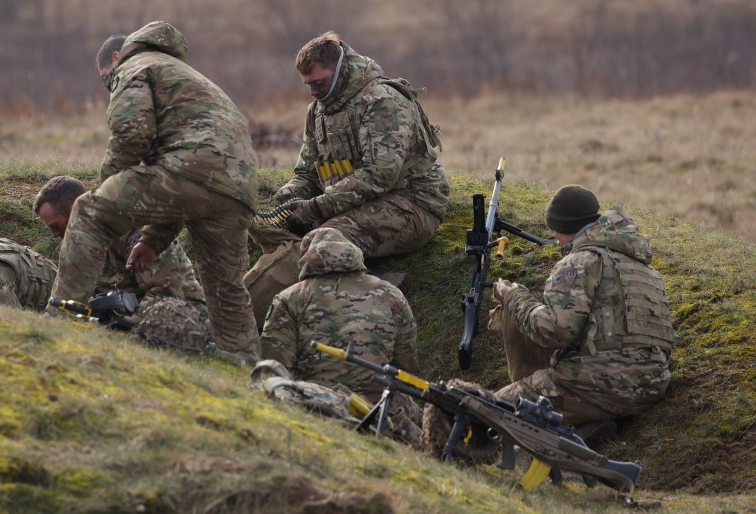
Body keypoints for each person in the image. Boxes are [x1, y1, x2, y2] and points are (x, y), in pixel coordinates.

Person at [50, 21, 261, 360]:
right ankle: (245, 368)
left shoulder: (134, 66)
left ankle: (61, 321)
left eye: (106, 78)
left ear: (116, 58)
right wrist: (154, 240)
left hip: (192, 169)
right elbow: (187, 193)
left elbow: (133, 133)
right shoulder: (185, 74)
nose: (109, 85)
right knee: (227, 290)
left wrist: (107, 185)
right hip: (238, 188)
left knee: (89, 212)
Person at [245, 31, 450, 328]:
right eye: (308, 85)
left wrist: (317, 208)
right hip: (354, 204)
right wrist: (288, 198)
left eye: (318, 83)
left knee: (324, 239)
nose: (313, 91)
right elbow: (308, 173)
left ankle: (375, 292)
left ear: (339, 68)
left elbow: (380, 174)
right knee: (271, 226)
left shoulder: (382, 101)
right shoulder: (317, 111)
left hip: (412, 204)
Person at [491, 184, 675, 434]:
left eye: (554, 229)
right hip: (652, 387)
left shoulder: (580, 262)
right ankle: (585, 425)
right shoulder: (646, 271)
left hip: (601, 385)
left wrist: (513, 296)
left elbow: (554, 331)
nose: (554, 237)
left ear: (565, 227)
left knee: (490, 409)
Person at [260, 227, 418, 403]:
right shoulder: (393, 294)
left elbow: (275, 368)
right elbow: (406, 367)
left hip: (319, 403)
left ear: (308, 256)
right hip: (381, 408)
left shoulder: (290, 298)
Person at [33, 175, 205, 306]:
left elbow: (167, 295)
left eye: (56, 226)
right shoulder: (77, 246)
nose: (55, 234)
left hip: (182, 315)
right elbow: (68, 295)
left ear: (74, 210)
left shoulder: (134, 230)